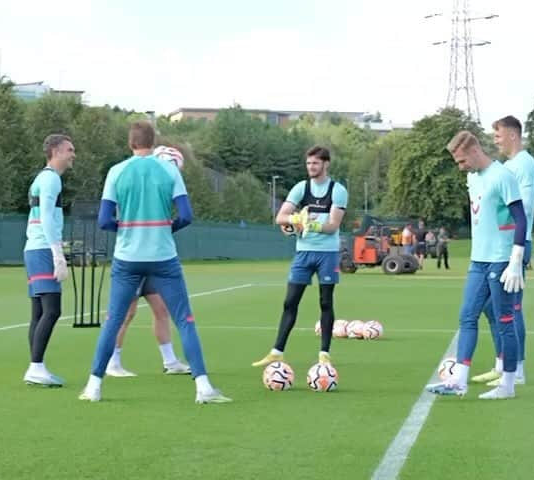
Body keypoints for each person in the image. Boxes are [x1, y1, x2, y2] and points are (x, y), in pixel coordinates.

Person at [79, 121, 231, 404]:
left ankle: (93, 386)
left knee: (112, 321)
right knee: (184, 321)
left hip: (127, 258)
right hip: (163, 258)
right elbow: (185, 215)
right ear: (154, 141)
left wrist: (126, 229)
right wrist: (165, 228)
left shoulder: (116, 172)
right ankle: (203, 387)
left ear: (130, 143)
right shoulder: (169, 169)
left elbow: (103, 220)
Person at [426, 130, 527, 399]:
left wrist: (515, 260)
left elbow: (521, 218)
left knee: (505, 322)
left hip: (501, 260)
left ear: (474, 151)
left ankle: (507, 385)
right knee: (467, 315)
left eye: (461, 161)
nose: (460, 167)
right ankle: (458, 380)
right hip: (478, 261)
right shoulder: (472, 178)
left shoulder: (502, 176)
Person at [251, 146, 348, 369]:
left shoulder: (337, 190)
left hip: (327, 254)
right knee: (290, 302)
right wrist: (293, 222)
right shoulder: (301, 188)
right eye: (308, 163)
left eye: (315, 163)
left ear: (326, 164)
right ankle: (277, 352)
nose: (311, 167)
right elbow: (280, 217)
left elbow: (333, 226)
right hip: (303, 253)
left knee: (325, 302)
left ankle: (324, 354)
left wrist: (307, 223)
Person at [106, 145, 192, 378]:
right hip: (134, 257)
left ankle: (170, 361)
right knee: (125, 313)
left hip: (154, 257)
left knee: (161, 310)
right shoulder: (132, 178)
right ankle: (112, 362)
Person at [471, 116, 534, 387]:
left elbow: (526, 208)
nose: (495, 140)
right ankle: (503, 362)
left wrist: (515, 250)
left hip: (514, 246)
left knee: (511, 308)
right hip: (499, 246)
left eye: (498, 135)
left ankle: (516, 368)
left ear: (512, 135)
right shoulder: (509, 166)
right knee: (491, 305)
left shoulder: (524, 165)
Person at [22, 134, 75, 387]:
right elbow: (46, 216)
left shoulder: (43, 178)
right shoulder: (51, 179)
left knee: (39, 312)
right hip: (42, 248)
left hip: (33, 248)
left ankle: (36, 367)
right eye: (69, 149)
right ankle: (35, 366)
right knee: (52, 310)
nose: (73, 154)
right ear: (55, 151)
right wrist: (57, 254)